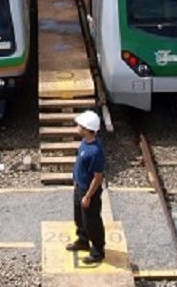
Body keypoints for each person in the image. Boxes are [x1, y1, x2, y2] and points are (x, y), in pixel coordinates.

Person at [66, 110, 106, 264]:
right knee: (79, 218)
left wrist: (88, 196)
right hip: (79, 186)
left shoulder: (95, 152)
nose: (77, 127)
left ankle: (97, 251)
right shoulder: (85, 142)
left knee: (92, 222)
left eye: (79, 125)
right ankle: (83, 240)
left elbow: (98, 177)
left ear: (86, 129)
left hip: (89, 192)